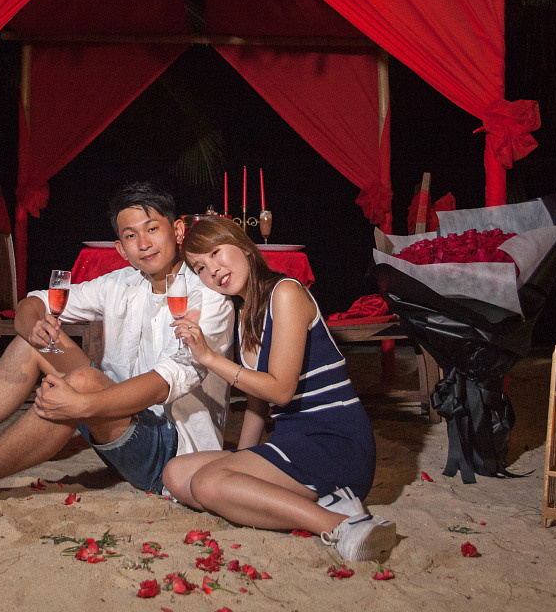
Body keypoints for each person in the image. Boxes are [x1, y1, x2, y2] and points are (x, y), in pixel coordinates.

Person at [0, 181, 235, 502]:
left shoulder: (208, 295)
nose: (144, 243)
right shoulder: (121, 283)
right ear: (120, 248)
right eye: (130, 235)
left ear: (178, 231)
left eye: (152, 229)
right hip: (114, 421)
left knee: (84, 380)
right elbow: (36, 301)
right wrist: (29, 325)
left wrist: (83, 401)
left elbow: (164, 383)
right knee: (36, 340)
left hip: (170, 451)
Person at [164, 216, 396, 564]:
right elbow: (257, 400)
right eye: (199, 267)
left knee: (207, 484)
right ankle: (327, 500)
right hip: (293, 442)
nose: (212, 270)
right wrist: (242, 459)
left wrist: (209, 358)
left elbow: (280, 392)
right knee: (177, 475)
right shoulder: (246, 313)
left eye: (215, 252)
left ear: (242, 246)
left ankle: (343, 524)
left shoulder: (285, 292)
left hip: (334, 442)